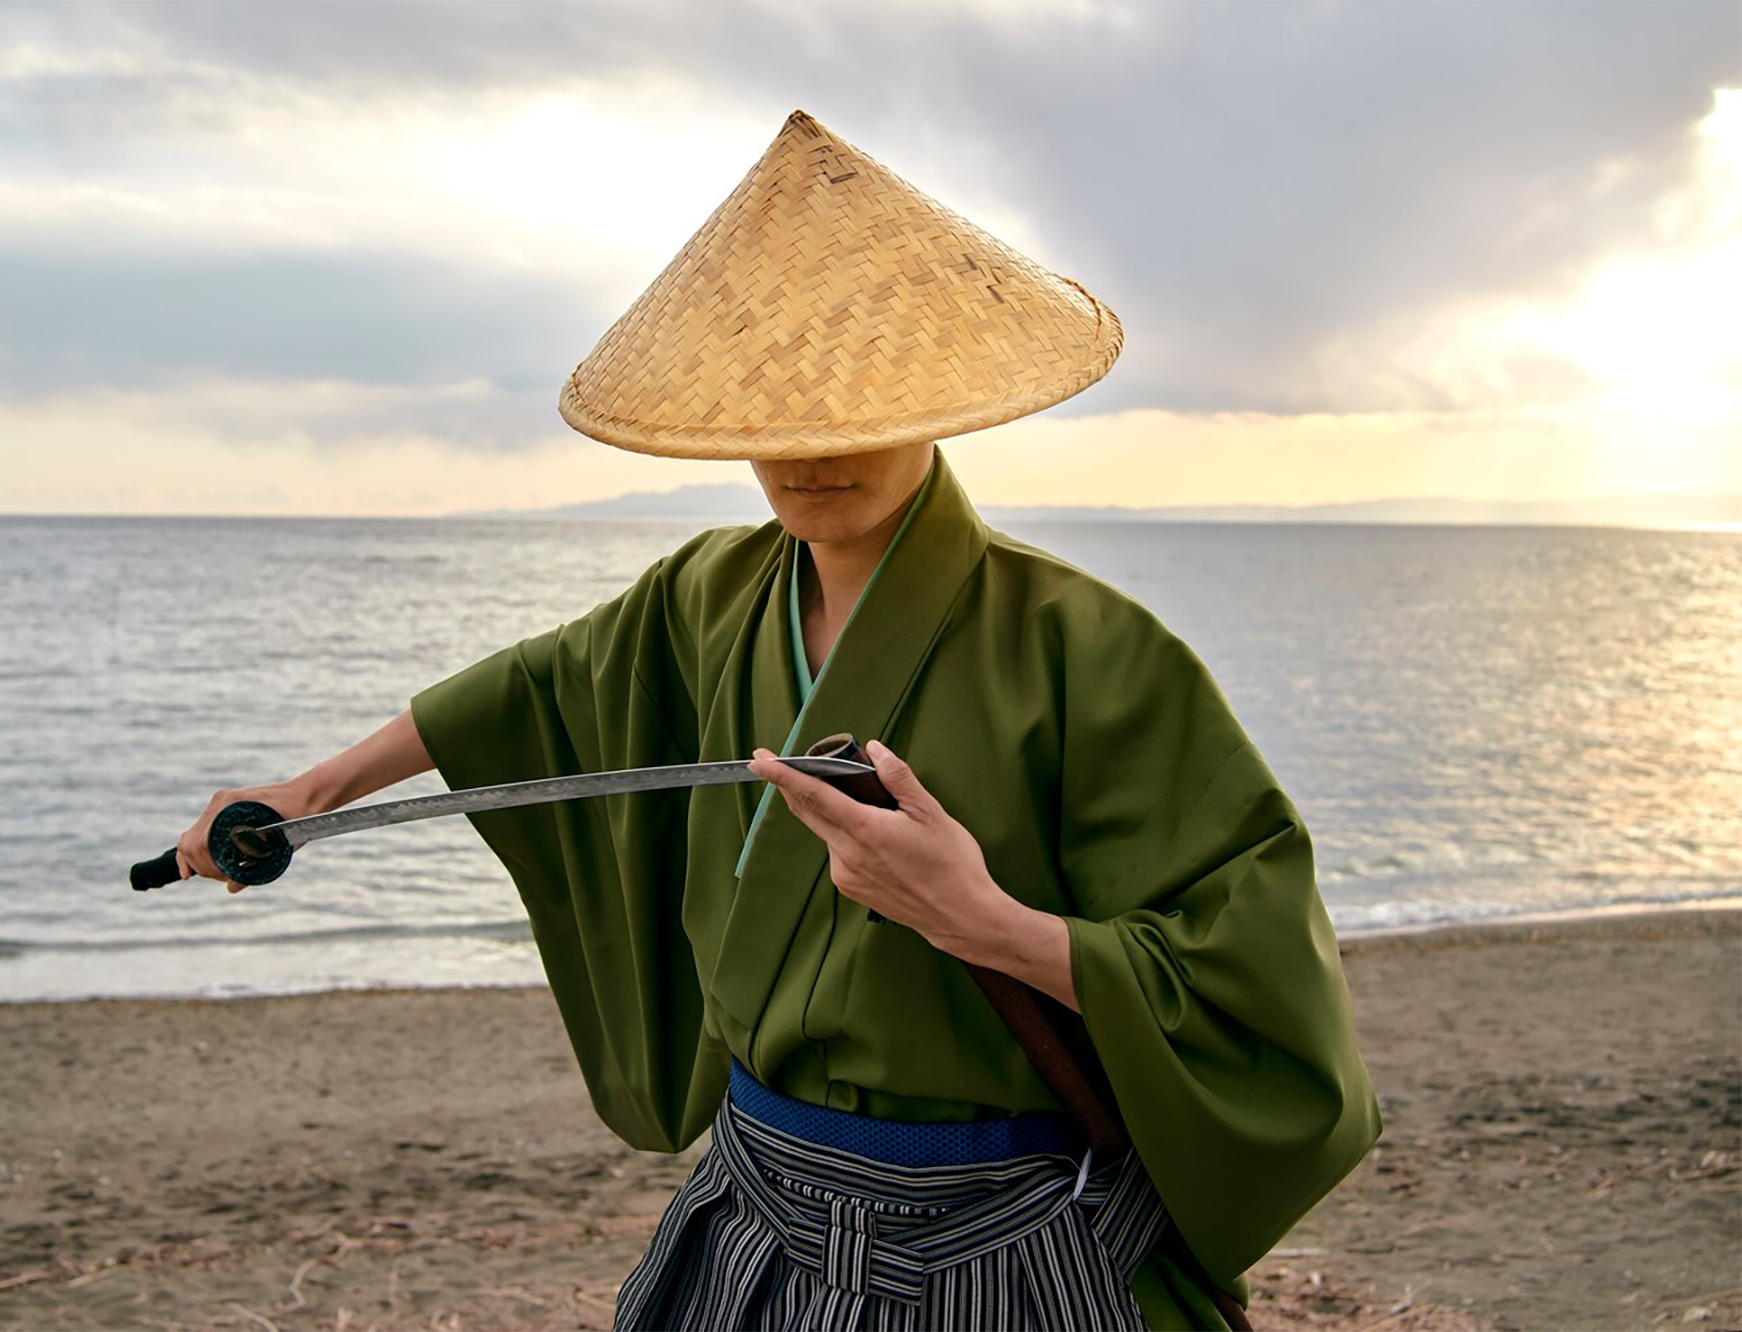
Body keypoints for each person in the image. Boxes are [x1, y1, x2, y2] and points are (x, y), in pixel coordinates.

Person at [176, 110, 1379, 1330]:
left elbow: (1252, 980)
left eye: (855, 409)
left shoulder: (1088, 648)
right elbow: (531, 690)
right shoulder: (706, 594)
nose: (808, 454)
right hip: (756, 1216)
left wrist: (986, 924)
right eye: (771, 417)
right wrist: (308, 794)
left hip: (997, 1239)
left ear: (936, 398)